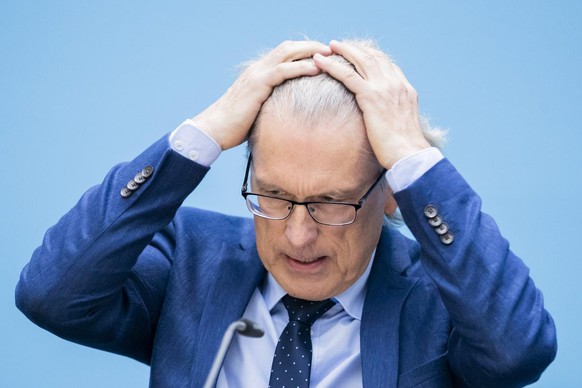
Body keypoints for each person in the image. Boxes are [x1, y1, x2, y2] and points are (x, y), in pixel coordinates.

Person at [16, 39, 556, 387]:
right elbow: (51, 296)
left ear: (391, 193)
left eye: (331, 203)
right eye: (272, 196)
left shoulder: (441, 302)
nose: (297, 236)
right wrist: (198, 138)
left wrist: (416, 162)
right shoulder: (190, 261)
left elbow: (518, 354)